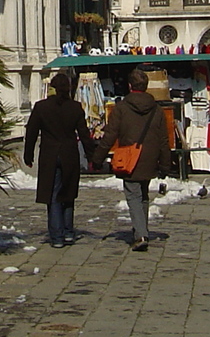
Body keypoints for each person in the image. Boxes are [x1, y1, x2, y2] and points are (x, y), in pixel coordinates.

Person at [94, 68, 171, 251]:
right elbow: (164, 139)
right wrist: (165, 164)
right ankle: (141, 229)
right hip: (150, 157)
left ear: (130, 86)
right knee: (142, 195)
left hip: (129, 157)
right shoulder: (156, 109)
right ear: (146, 87)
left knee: (134, 196)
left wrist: (97, 158)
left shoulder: (121, 108)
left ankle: (141, 234)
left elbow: (110, 135)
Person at [24, 72, 94, 248]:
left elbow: (31, 132)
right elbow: (84, 135)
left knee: (53, 195)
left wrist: (28, 155)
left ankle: (56, 236)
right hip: (69, 154)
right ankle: (68, 232)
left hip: (50, 154)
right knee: (68, 194)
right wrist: (92, 157)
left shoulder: (41, 107)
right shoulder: (75, 107)